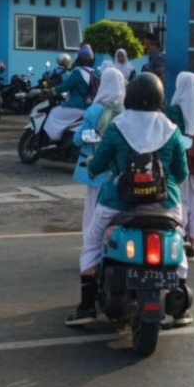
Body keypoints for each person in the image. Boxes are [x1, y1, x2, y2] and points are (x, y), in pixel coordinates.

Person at [69, 72, 192, 327]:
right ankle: (180, 303)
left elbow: (97, 166)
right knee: (178, 242)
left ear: (129, 97)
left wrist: (92, 166)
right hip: (166, 204)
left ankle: (87, 306)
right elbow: (181, 174)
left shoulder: (117, 128)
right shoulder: (172, 130)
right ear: (160, 99)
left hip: (118, 202)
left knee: (92, 242)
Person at [67, 66, 128, 328]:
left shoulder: (94, 110)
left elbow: (78, 139)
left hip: (94, 172)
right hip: (117, 177)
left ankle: (91, 261)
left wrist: (93, 138)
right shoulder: (127, 113)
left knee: (92, 218)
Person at [167, 72, 194, 260]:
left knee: (180, 200)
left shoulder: (172, 111)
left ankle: (181, 238)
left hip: (179, 163)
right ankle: (192, 246)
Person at [44, 47, 96, 142]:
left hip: (75, 106)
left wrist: (50, 91)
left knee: (53, 112)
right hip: (88, 107)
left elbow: (65, 86)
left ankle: (54, 139)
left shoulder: (78, 72)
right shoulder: (93, 73)